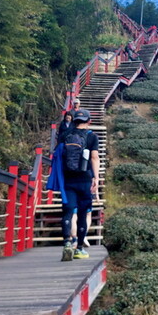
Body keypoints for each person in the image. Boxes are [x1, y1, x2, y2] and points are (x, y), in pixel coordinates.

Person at [54, 109, 99, 261]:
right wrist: (96, 178)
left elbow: (58, 156)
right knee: (82, 213)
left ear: (73, 121)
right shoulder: (92, 136)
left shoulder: (65, 135)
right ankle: (79, 248)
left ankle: (67, 242)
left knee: (67, 211)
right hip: (85, 180)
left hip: (68, 180)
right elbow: (94, 158)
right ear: (89, 121)